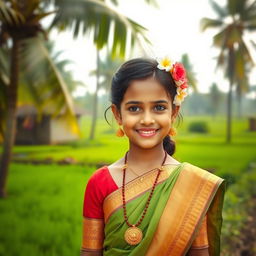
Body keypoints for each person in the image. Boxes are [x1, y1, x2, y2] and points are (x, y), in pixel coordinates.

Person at [80, 57, 225, 256]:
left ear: (174, 112)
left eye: (159, 107)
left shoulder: (192, 184)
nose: (147, 119)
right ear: (118, 114)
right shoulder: (99, 183)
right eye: (134, 108)